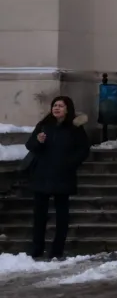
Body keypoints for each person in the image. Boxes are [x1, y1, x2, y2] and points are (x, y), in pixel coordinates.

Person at [24, 96, 90, 260]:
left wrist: (70, 164)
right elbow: (30, 146)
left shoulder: (75, 128)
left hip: (62, 176)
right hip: (42, 175)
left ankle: (57, 249)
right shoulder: (44, 125)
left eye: (61, 106)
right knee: (39, 214)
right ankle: (37, 247)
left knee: (62, 214)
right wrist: (38, 141)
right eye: (55, 105)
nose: (57, 108)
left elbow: (83, 150)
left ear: (68, 109)